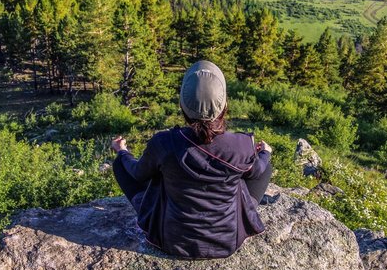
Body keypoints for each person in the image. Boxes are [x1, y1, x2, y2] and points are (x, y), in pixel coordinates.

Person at [111, 60, 273, 259]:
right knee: (259, 168)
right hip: (227, 243)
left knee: (123, 165)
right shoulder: (241, 145)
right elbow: (257, 171)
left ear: (182, 106)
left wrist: (123, 152)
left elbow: (137, 173)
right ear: (224, 106)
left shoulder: (164, 142)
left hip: (170, 240)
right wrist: (265, 153)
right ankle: (245, 213)